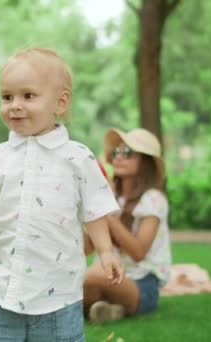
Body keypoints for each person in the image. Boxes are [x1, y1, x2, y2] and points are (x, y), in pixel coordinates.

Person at [0, 47, 124, 341]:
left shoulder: (78, 159)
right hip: (0, 287)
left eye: (28, 96)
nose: (15, 105)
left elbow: (94, 211)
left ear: (60, 102)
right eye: (7, 97)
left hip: (58, 291)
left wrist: (106, 251)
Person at [83, 128, 172, 323]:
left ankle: (102, 305)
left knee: (90, 277)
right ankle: (110, 310)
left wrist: (105, 213)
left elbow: (138, 251)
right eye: (116, 152)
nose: (118, 157)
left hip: (142, 285)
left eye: (127, 153)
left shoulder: (154, 199)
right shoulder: (112, 196)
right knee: (76, 280)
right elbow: (87, 248)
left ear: (146, 162)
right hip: (106, 278)